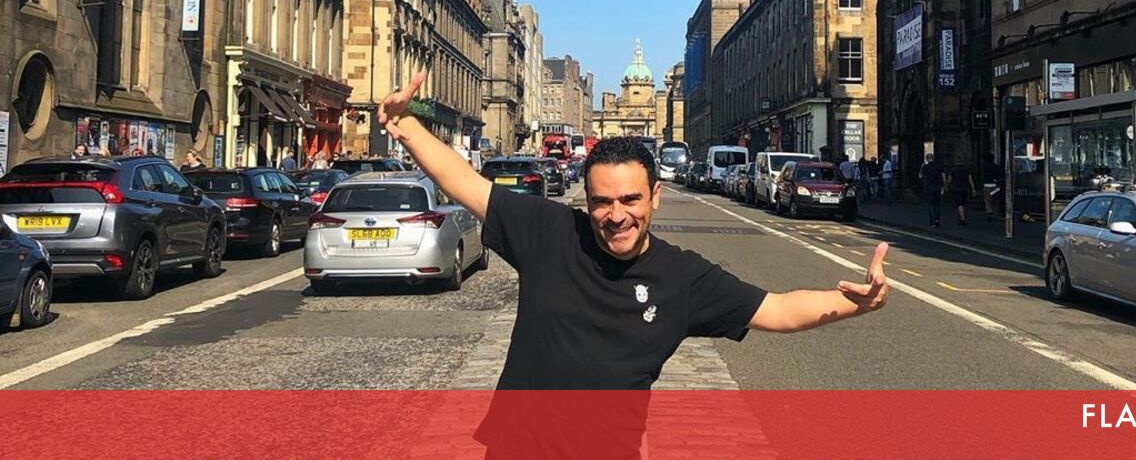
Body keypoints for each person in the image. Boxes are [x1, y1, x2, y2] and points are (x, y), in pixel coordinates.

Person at [376, 73, 889, 449]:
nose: (616, 215)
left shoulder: (681, 276)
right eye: (602, 201)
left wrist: (858, 303)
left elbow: (776, 309)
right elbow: (466, 183)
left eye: (630, 200)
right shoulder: (550, 231)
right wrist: (408, 126)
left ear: (655, 197)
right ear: (586, 200)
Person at [918, 153, 944, 228]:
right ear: (933, 158)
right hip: (938, 187)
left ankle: (932, 222)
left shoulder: (925, 167)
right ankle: (937, 220)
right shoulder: (939, 166)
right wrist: (943, 185)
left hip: (929, 188)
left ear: (927, 159)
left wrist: (922, 167)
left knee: (930, 205)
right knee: (937, 205)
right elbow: (943, 175)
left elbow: (920, 176)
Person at [981, 152, 1001, 222]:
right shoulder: (996, 166)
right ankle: (995, 214)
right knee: (995, 201)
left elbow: (983, 176)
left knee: (987, 200)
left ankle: (989, 212)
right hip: (994, 185)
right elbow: (998, 176)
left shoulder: (984, 167)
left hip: (986, 185)